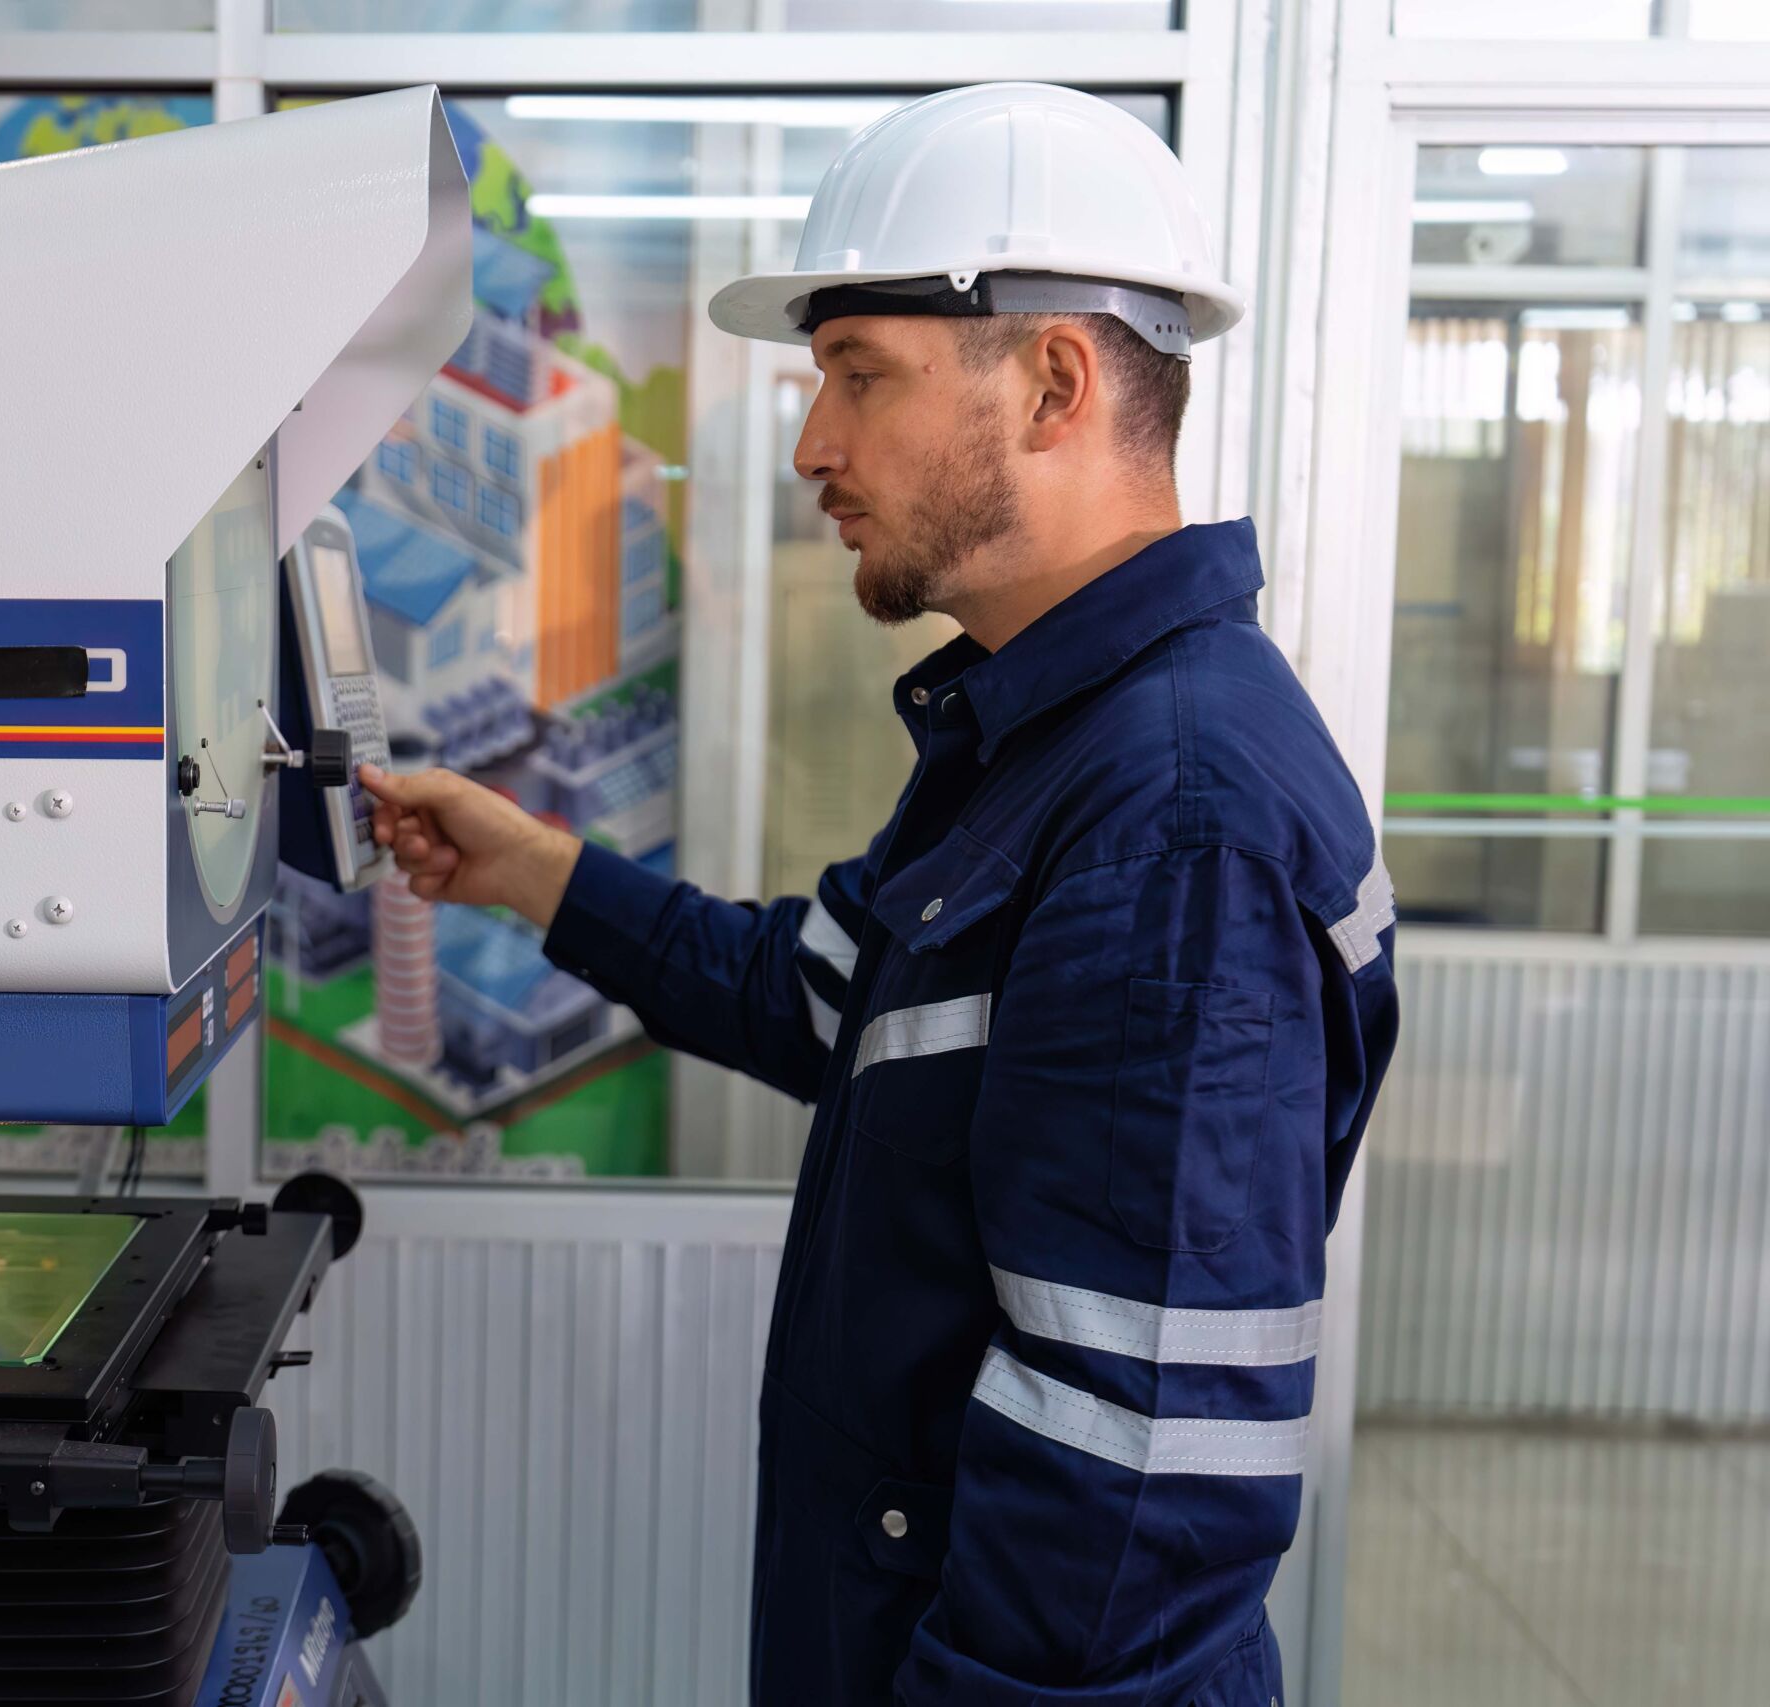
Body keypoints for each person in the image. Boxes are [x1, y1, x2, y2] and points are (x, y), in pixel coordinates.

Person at [357, 83, 1399, 1707]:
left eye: (860, 375)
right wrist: (538, 872)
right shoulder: (1037, 734)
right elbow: (821, 999)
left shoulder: (1175, 817)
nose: (811, 448)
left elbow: (1134, 1472)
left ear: (1054, 383)